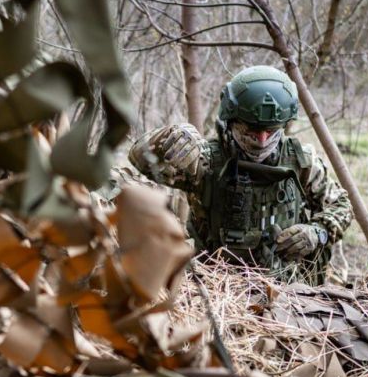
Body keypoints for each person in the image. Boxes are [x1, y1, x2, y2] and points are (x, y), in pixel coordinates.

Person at [128, 65, 352, 284]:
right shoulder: (205, 160)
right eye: (252, 130)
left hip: (288, 288)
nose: (262, 140)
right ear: (232, 120)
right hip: (213, 284)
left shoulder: (302, 161)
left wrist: (318, 232)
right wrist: (169, 137)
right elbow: (139, 159)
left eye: (271, 131)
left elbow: (341, 205)